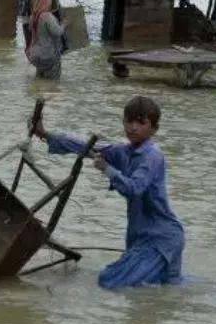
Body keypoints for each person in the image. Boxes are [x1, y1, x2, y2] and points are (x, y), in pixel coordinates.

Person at [32, 96, 186, 289]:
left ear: (154, 128)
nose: (133, 127)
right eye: (129, 121)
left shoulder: (152, 156)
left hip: (160, 240)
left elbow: (134, 188)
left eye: (141, 122)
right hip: (146, 238)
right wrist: (45, 134)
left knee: (109, 280)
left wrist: (108, 169)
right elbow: (85, 147)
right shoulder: (124, 151)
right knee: (168, 291)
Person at [25, 0, 67, 80]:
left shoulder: (33, 16)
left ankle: (38, 91)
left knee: (40, 78)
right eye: (49, 1)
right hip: (48, 54)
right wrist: (64, 24)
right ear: (46, 2)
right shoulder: (47, 16)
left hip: (35, 54)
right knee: (52, 83)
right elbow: (57, 32)